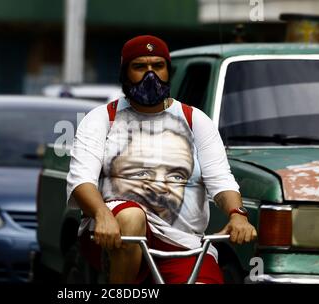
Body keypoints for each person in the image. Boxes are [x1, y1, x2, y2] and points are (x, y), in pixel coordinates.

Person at [66, 35, 257, 284]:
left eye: (157, 66)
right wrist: (101, 214)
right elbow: (82, 180)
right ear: (125, 73)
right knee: (131, 217)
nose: (150, 75)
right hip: (113, 233)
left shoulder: (195, 120)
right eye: (140, 67)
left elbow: (221, 180)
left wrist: (237, 214)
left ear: (168, 70)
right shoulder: (102, 118)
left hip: (182, 244)